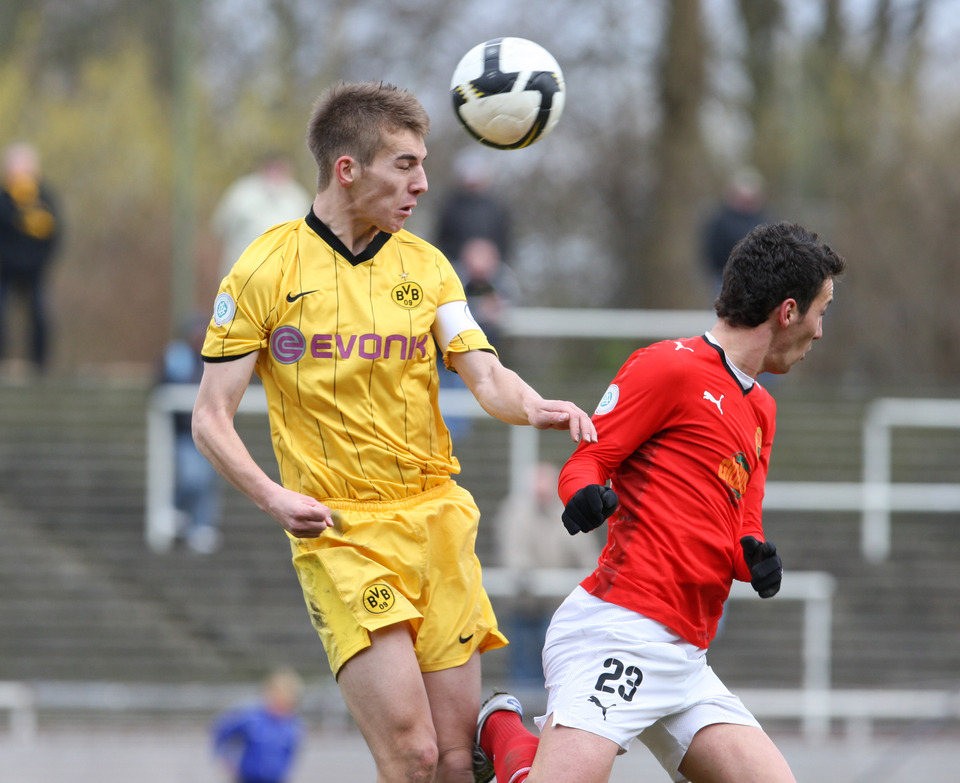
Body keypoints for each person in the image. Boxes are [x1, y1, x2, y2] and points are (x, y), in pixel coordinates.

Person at [191, 81, 597, 783]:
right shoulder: (264, 268)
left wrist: (534, 405)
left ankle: (490, 730)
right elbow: (209, 417)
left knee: (453, 761)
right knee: (412, 754)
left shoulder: (428, 267)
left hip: (437, 522)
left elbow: (486, 374)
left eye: (423, 164)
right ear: (348, 169)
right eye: (405, 164)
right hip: (342, 533)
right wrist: (272, 497)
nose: (423, 183)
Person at [475, 221, 846, 783]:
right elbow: (586, 462)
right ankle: (503, 733)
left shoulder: (762, 411)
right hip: (617, 630)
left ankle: (513, 748)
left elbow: (743, 524)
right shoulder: (668, 366)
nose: (821, 331)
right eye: (822, 311)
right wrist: (583, 497)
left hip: (686, 658)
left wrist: (754, 559)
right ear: (788, 312)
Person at [495, 462, 600, 686]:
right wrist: (528, 577)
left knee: (558, 669)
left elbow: (585, 552)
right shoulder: (515, 512)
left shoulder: (568, 510)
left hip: (559, 609)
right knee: (525, 671)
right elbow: (515, 555)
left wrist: (594, 577)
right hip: (525, 607)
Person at [161, 314, 222, 554]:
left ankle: (201, 525)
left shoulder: (218, 359)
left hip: (212, 433)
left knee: (205, 480)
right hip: (185, 433)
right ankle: (180, 512)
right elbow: (162, 389)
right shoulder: (175, 360)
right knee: (192, 477)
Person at [0, 143, 61, 373]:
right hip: (5, 270)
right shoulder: (4, 201)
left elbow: (54, 236)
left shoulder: (44, 200)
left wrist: (40, 262)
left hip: (35, 271)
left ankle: (40, 366)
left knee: (40, 312)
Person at [211, 153, 313, 278]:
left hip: (282, 276)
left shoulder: (297, 198)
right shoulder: (241, 193)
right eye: (272, 168)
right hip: (242, 273)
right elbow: (221, 229)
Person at [212, 667, 305, 783]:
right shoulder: (250, 717)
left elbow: (290, 753)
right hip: (247, 777)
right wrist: (226, 759)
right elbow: (222, 730)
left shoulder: (293, 726)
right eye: (278, 696)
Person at [435, 149, 512, 265]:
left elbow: (505, 238)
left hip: (493, 266)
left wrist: (491, 255)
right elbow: (442, 239)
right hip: (458, 264)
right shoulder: (450, 206)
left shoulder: (497, 206)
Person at [701, 167, 770, 292]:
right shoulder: (721, 220)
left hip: (758, 280)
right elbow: (712, 250)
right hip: (725, 278)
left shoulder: (764, 220)